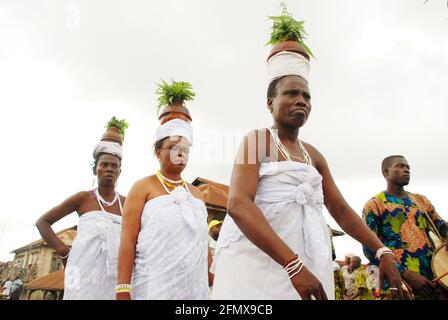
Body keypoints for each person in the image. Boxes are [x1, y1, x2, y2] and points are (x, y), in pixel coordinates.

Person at [210, 7, 403, 300]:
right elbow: (238, 205)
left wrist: (381, 249)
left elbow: (341, 211)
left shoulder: (314, 155)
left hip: (308, 265)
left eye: (307, 96)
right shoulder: (257, 141)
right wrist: (292, 265)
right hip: (260, 267)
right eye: (291, 93)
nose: (301, 100)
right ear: (270, 103)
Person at [116, 81, 209, 300]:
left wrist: (213, 275)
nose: (180, 154)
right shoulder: (143, 187)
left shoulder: (196, 195)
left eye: (185, 150)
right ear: (159, 152)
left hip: (193, 289)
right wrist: (122, 289)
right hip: (153, 287)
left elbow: (202, 244)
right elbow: (128, 240)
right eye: (174, 148)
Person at [36, 117, 127, 300]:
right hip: (79, 267)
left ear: (119, 171)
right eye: (104, 165)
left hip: (114, 273)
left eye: (114, 166)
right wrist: (63, 252)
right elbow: (42, 223)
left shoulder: (127, 202)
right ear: (95, 170)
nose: (109, 169)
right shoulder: (83, 198)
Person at [363, 155, 448, 300]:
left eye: (408, 167)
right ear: (386, 172)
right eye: (400, 166)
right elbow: (370, 249)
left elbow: (442, 227)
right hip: (401, 285)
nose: (406, 170)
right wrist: (406, 274)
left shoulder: (420, 200)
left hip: (436, 279)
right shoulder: (374, 205)